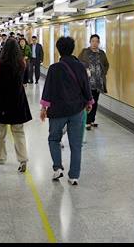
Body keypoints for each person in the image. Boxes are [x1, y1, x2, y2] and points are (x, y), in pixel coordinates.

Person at [40, 36, 94, 186]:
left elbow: (48, 89)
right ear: (72, 49)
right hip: (76, 110)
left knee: (53, 139)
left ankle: (57, 167)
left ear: (58, 50)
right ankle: (74, 176)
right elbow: (86, 86)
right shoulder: (80, 67)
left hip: (57, 111)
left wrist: (44, 108)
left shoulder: (54, 68)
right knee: (76, 144)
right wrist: (89, 102)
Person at [0, 39, 32, 172]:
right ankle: (23, 159)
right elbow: (25, 81)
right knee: (19, 132)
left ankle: (1, 157)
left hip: (2, 103)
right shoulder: (22, 64)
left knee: (0, 133)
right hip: (18, 102)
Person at [78, 34, 110, 131]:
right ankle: (86, 121)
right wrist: (85, 70)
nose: (94, 43)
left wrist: (102, 73)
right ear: (90, 42)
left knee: (95, 102)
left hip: (98, 83)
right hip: (88, 83)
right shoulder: (85, 52)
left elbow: (106, 64)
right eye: (93, 41)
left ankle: (92, 120)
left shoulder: (102, 53)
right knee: (88, 102)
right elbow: (78, 63)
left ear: (99, 43)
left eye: (96, 41)